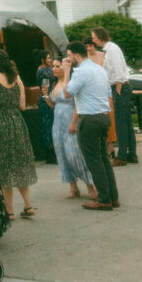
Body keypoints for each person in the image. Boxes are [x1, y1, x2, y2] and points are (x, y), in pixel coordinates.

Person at [63, 41, 119, 210]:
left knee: (94, 160)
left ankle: (103, 198)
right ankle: (112, 196)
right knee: (103, 158)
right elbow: (109, 94)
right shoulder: (99, 69)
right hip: (103, 116)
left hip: (89, 118)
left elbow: (66, 93)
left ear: (77, 55)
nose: (68, 59)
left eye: (69, 55)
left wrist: (66, 73)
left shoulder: (80, 72)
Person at [0, 50, 37, 220]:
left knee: (3, 166)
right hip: (17, 122)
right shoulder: (17, 78)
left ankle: (9, 211)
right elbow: (22, 106)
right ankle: (28, 205)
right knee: (19, 164)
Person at [44, 58, 97, 200]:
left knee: (75, 154)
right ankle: (73, 187)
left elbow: (77, 104)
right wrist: (46, 96)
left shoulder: (70, 83)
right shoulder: (55, 84)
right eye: (53, 66)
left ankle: (90, 185)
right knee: (62, 155)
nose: (54, 69)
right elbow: (53, 105)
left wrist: (74, 123)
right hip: (57, 123)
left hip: (70, 121)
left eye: (58, 66)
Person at [90, 27, 136, 165]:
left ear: (99, 36)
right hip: (117, 86)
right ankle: (132, 153)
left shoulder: (112, 49)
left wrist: (119, 88)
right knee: (126, 122)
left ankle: (121, 156)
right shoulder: (108, 49)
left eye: (93, 37)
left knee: (121, 123)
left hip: (119, 86)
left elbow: (119, 71)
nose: (93, 40)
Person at [35, 50, 56, 163]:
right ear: (43, 59)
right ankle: (50, 151)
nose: (50, 60)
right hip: (47, 99)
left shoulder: (47, 70)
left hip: (49, 97)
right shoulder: (44, 72)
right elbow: (45, 88)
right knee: (48, 125)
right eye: (48, 58)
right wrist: (48, 98)